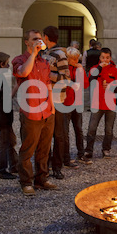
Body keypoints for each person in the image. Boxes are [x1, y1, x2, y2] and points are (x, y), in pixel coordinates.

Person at [13, 29, 58, 196]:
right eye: (34, 39)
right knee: (27, 149)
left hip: (46, 111)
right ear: (27, 42)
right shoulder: (20, 60)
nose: (38, 41)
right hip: (30, 111)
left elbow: (47, 84)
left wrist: (52, 107)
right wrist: (33, 54)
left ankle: (42, 179)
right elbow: (23, 72)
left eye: (39, 39)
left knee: (44, 149)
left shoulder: (44, 62)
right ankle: (26, 182)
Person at [41, 25, 74, 179]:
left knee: (59, 134)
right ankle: (45, 165)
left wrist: (49, 75)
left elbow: (66, 78)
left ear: (46, 37)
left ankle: (57, 167)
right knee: (46, 134)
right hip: (45, 99)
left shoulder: (60, 54)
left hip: (57, 99)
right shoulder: (43, 53)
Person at [84, 47, 117, 162]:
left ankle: (106, 149)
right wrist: (100, 67)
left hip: (110, 104)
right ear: (99, 58)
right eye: (103, 58)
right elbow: (91, 80)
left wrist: (111, 87)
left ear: (110, 58)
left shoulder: (116, 71)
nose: (105, 60)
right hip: (97, 103)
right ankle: (89, 150)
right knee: (92, 128)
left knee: (109, 129)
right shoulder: (94, 69)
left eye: (107, 57)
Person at [0, 52, 18, 180]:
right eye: (7, 63)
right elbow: (6, 97)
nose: (9, 66)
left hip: (1, 114)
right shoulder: (0, 78)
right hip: (1, 115)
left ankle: (14, 165)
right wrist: (17, 87)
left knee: (10, 140)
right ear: (2, 64)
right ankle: (1, 169)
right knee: (3, 142)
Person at [64, 47, 88, 164]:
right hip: (66, 103)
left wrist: (81, 71)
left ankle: (81, 153)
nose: (75, 61)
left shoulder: (78, 68)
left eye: (76, 59)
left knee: (79, 129)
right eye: (73, 58)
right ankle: (66, 156)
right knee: (65, 132)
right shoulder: (64, 68)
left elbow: (85, 85)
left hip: (77, 103)